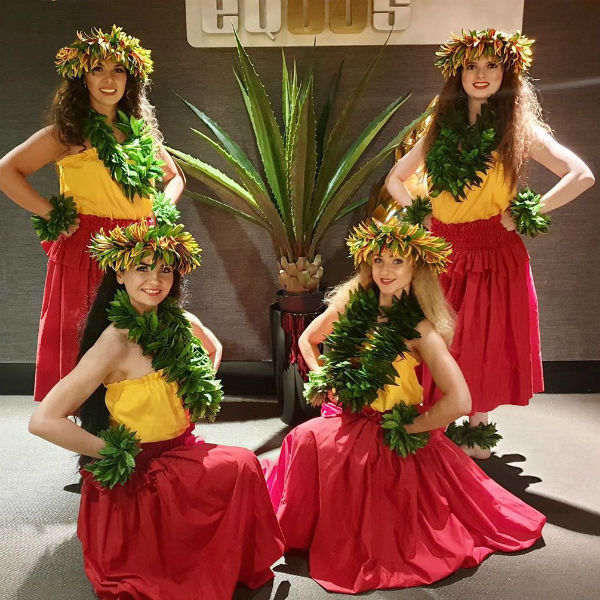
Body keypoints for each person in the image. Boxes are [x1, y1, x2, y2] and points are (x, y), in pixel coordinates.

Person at [264, 218, 545, 594]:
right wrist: (325, 379)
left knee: (370, 480)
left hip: (393, 429)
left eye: (397, 261)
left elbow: (460, 400)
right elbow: (308, 342)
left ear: (415, 267)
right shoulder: (352, 304)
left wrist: (412, 428)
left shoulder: (419, 329)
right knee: (303, 439)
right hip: (350, 419)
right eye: (379, 260)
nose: (386, 270)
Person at [28, 221, 284, 599]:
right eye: (142, 267)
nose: (156, 279)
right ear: (120, 271)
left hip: (181, 450)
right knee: (242, 464)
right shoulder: (114, 342)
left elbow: (213, 349)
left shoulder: (178, 322)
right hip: (142, 471)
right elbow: (43, 420)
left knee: (243, 465)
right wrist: (115, 454)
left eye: (165, 268)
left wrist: (190, 395)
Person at [385, 29, 595, 458]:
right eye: (471, 66)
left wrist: (522, 214)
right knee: (438, 336)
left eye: (491, 65)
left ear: (507, 71)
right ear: (457, 74)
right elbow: (395, 179)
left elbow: (581, 174)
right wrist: (419, 211)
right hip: (442, 250)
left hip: (493, 252)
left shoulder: (518, 129)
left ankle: (477, 426)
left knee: (482, 339)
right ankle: (438, 414)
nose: (480, 75)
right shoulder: (438, 126)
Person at [0, 25, 184, 401]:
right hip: (90, 246)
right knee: (87, 337)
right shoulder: (66, 132)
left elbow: (175, 178)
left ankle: (141, 419)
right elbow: (7, 170)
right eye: (98, 68)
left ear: (129, 79)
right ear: (82, 77)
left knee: (139, 339)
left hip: (140, 249)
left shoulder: (141, 133)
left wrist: (163, 209)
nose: (108, 79)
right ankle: (93, 436)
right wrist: (52, 213)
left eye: (118, 70)